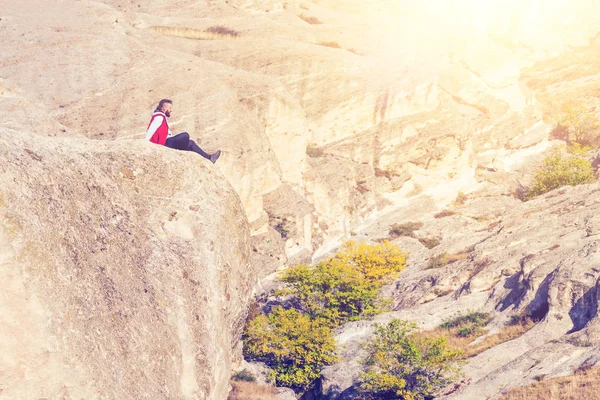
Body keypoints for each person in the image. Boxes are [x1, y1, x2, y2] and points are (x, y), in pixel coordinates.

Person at [146, 99, 221, 163]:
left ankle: (209, 159)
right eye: (170, 108)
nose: (171, 110)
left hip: (168, 142)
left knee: (190, 143)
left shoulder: (161, 117)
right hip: (165, 144)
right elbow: (151, 130)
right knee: (185, 135)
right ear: (164, 109)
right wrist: (146, 144)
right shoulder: (159, 117)